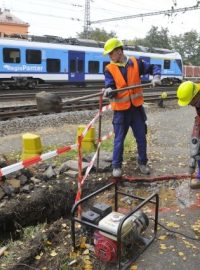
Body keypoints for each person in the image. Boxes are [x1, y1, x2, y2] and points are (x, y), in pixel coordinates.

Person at [103, 38, 161, 177]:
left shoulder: (135, 62)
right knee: (119, 140)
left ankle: (142, 162)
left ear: (119, 51)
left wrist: (156, 76)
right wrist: (109, 90)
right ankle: (116, 166)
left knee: (141, 138)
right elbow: (109, 84)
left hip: (136, 110)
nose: (110, 56)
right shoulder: (109, 68)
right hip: (121, 112)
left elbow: (154, 67)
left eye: (111, 53)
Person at [177, 80, 200, 189]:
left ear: (195, 95)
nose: (189, 104)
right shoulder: (197, 98)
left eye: (190, 101)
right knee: (197, 149)